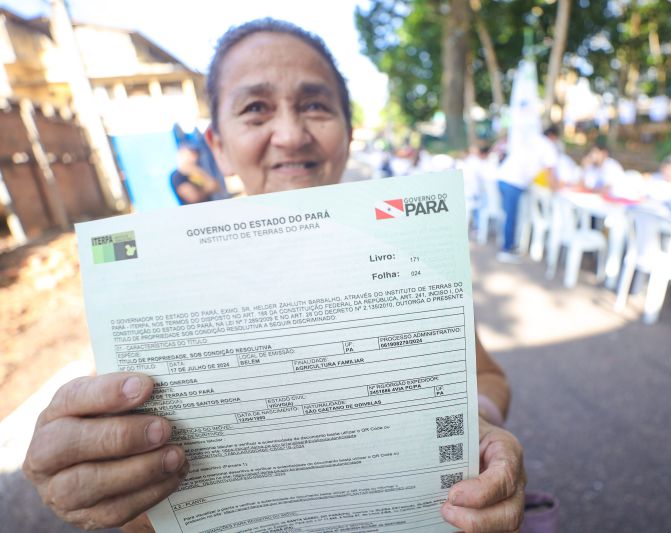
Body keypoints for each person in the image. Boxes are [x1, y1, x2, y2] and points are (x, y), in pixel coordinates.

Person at [23, 18, 526, 533]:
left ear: (348, 133)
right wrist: (93, 474)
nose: (289, 134)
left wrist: (479, 428)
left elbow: (487, 375)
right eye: (256, 108)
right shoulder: (154, 286)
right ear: (218, 145)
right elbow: (136, 488)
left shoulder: (408, 254)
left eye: (314, 105)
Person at [496, 133, 558, 263]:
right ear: (554, 137)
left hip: (503, 177)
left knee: (509, 216)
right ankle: (506, 250)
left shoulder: (532, 138)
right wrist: (556, 189)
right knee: (511, 217)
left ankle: (508, 244)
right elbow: (550, 171)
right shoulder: (548, 147)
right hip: (513, 182)